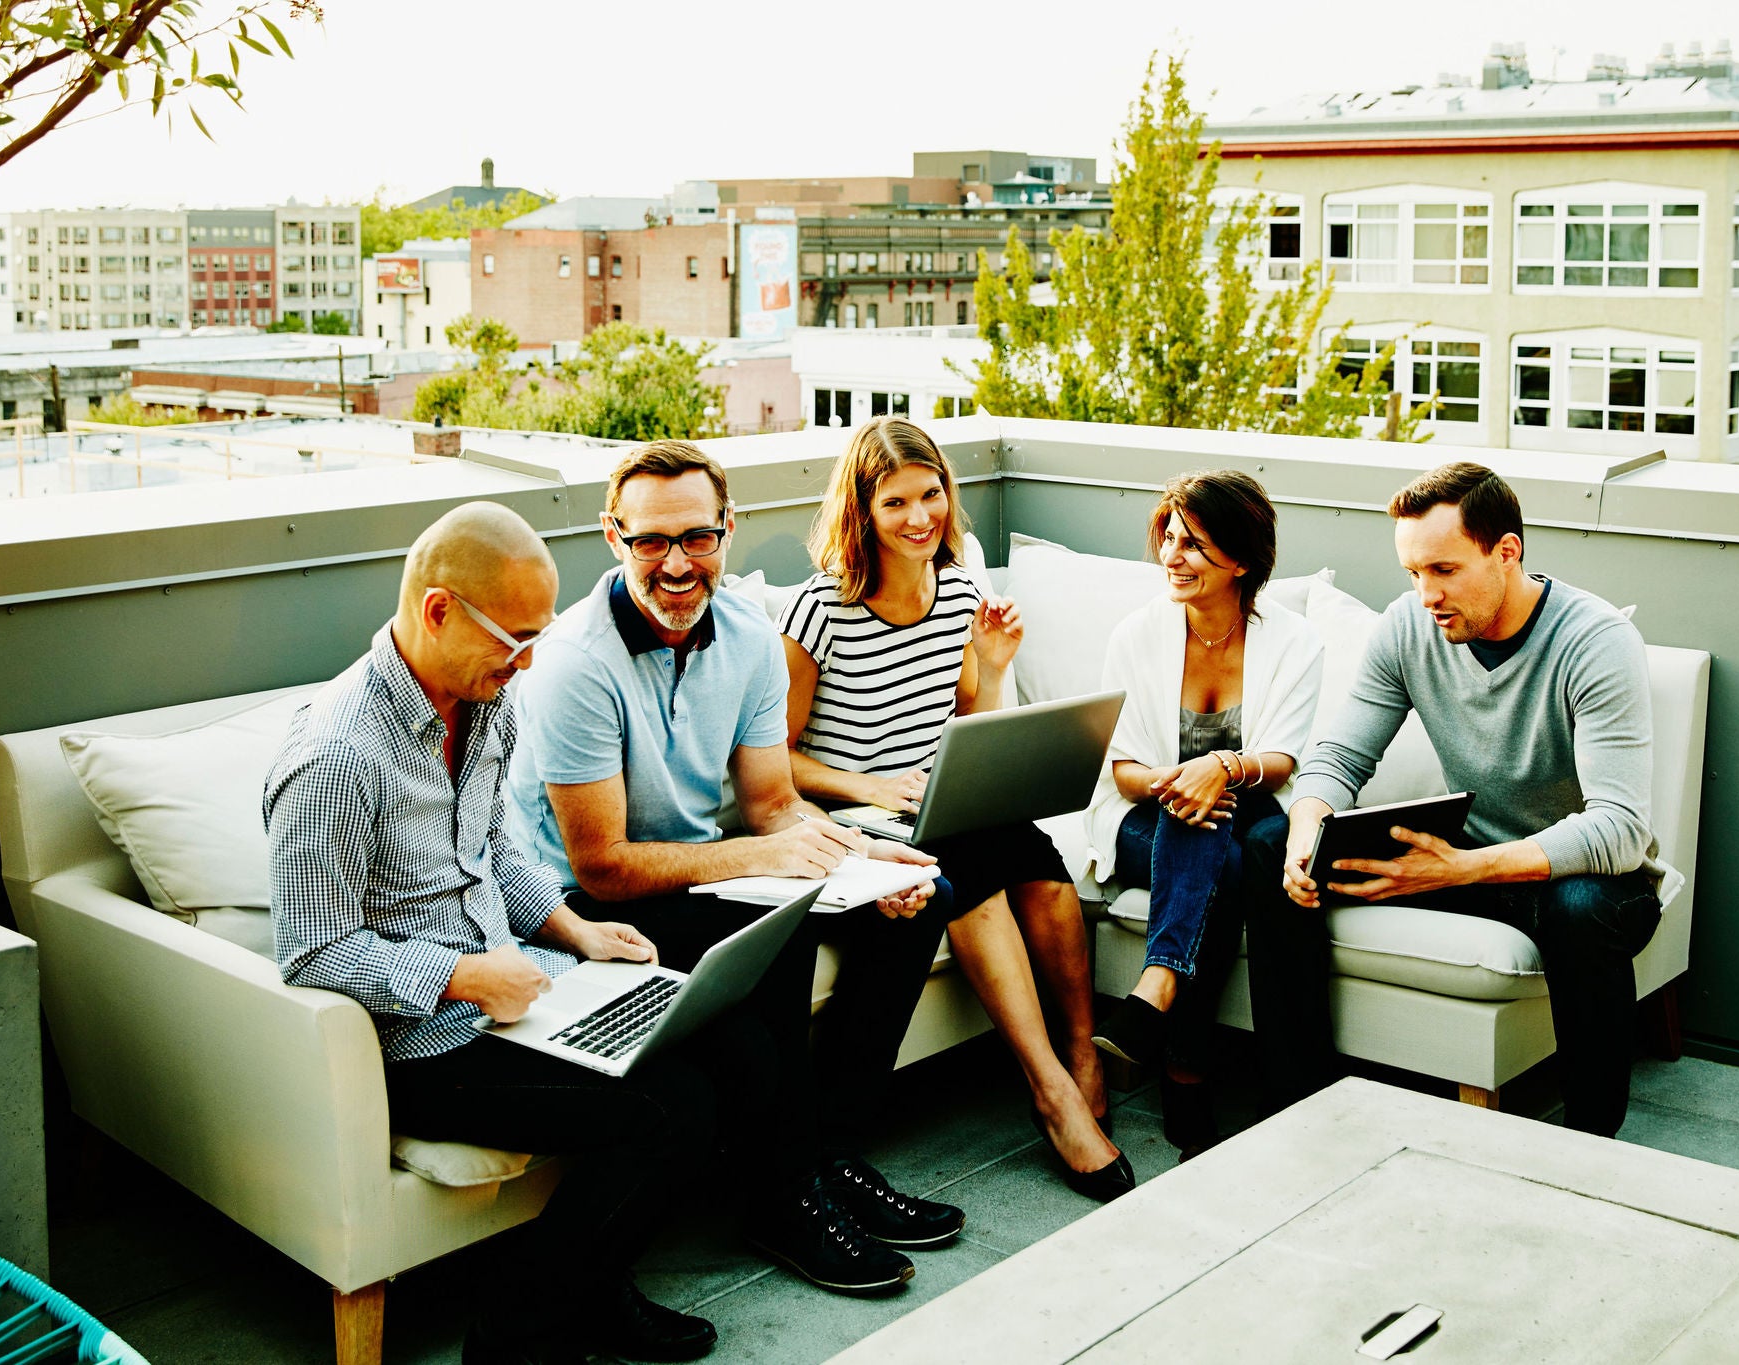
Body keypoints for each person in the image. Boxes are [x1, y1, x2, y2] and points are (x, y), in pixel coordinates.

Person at [507, 439, 967, 1298]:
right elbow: (600, 868)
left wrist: (868, 854)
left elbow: (772, 804)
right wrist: (776, 860)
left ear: (729, 528)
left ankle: (827, 1160)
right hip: (576, 904)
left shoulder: (753, 634)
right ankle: (787, 1197)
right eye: (652, 541)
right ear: (614, 536)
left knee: (921, 897)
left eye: (698, 536)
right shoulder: (573, 661)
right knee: (776, 927)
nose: (677, 563)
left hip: (701, 869)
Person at [265, 502, 721, 1365]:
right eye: (513, 636)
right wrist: (465, 976)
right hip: (420, 1048)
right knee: (672, 1110)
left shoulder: (484, 699)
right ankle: (515, 1336)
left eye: (537, 634)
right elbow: (311, 951)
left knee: (711, 1036)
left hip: (519, 999)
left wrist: (574, 928)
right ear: (437, 610)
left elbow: (491, 846)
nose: (529, 658)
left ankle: (588, 1285)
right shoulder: (336, 754)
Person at [1244, 462, 1667, 1138]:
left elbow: (1618, 827)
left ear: (1506, 551)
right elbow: (1339, 757)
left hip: (1584, 880)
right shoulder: (1408, 627)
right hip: (1466, 860)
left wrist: (1464, 868)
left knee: (1580, 906)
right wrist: (1307, 823)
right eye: (1413, 573)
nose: (1426, 594)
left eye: (1443, 570)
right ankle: (1297, 1104)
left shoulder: (1596, 640)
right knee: (1269, 844)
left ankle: (1592, 1143)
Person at [778, 416, 1132, 1202]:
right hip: (864, 823)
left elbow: (971, 723)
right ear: (861, 512)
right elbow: (776, 760)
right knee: (968, 870)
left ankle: (1081, 1055)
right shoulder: (818, 610)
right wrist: (868, 785)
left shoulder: (965, 589)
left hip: (945, 801)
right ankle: (1050, 1091)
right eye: (895, 501)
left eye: (930, 494)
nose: (918, 518)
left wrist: (997, 666)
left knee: (1042, 867)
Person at [1081, 470, 1323, 1158]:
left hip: (1246, 812)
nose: (1174, 557)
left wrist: (1220, 767)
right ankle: (1182, 1055)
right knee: (1204, 827)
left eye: (1196, 544)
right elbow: (1120, 767)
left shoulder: (1293, 640)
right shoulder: (1137, 634)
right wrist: (1179, 781)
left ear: (1242, 560)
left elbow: (1282, 758)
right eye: (1170, 538)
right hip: (1141, 820)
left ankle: (1169, 1029)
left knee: (1231, 838)